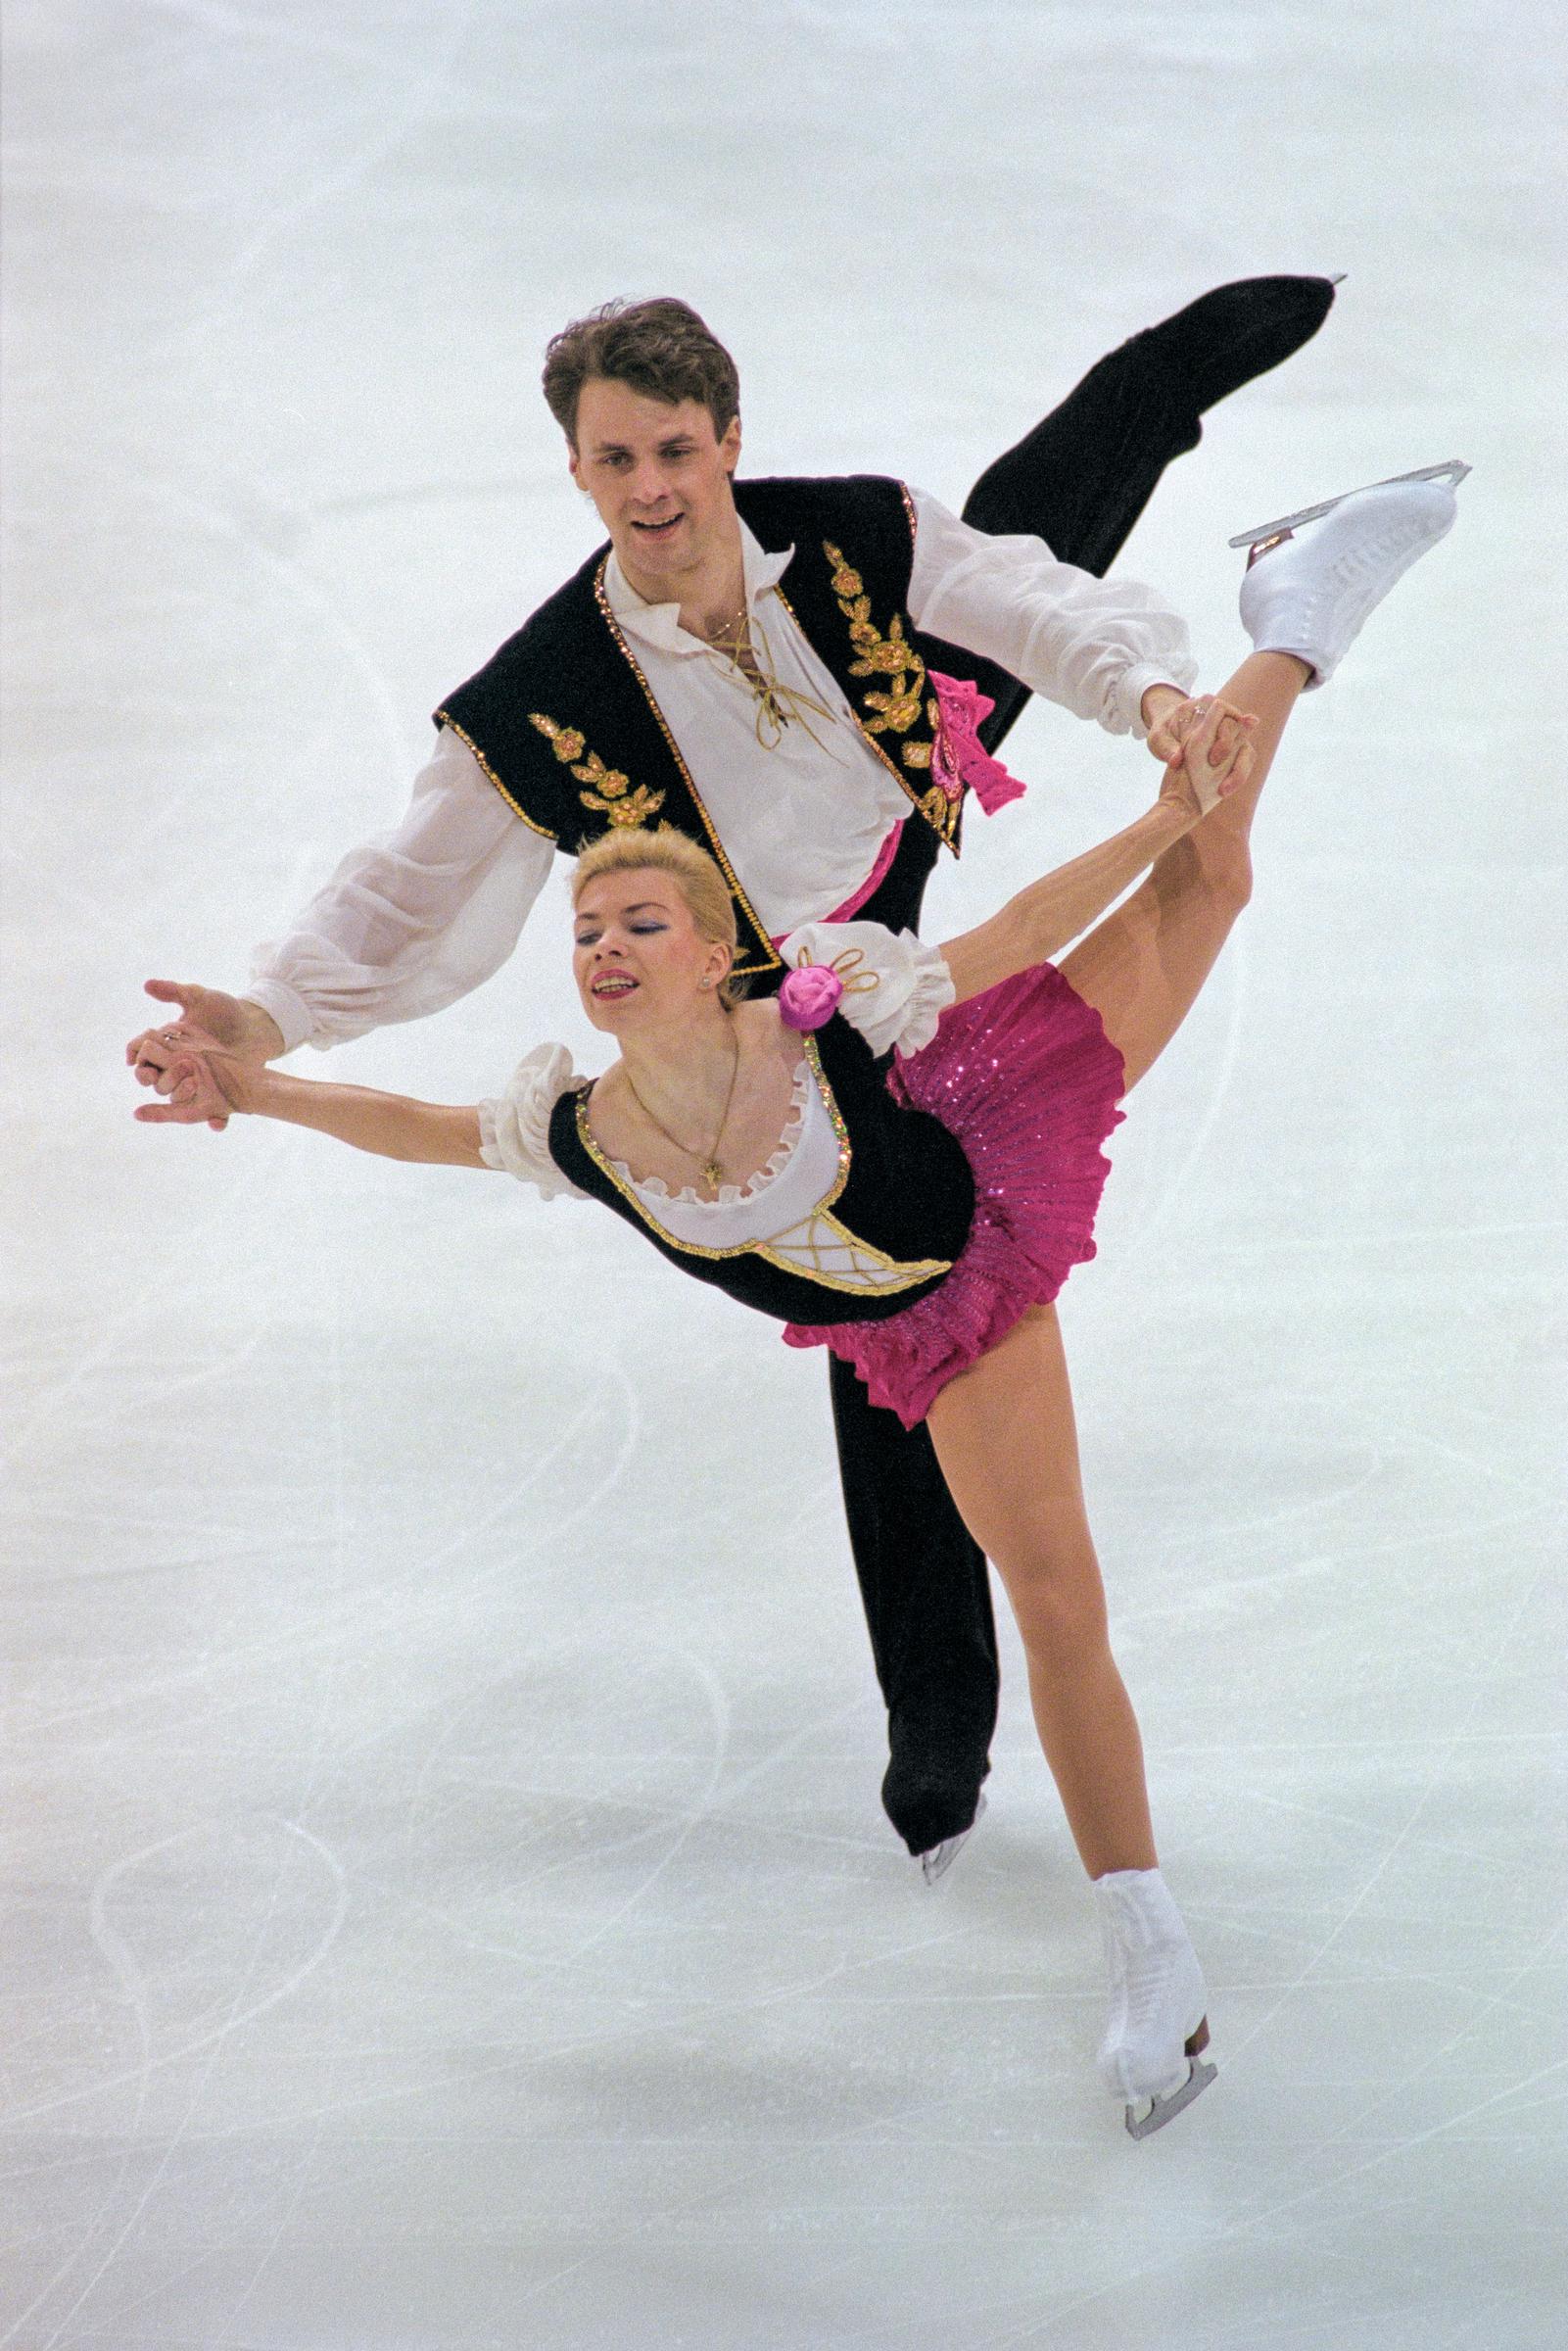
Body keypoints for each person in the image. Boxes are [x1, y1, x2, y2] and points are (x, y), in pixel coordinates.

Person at [132, 472, 1463, 2133]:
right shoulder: (587, 1129)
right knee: (1045, 1588)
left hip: (985, 1132)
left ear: (713, 952)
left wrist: (1159, 815)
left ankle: (1295, 617)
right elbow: (410, 1128)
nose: (605, 945)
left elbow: (1021, 927)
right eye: (589, 929)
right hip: (927, 1324)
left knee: (1218, 878)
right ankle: (1155, 1948)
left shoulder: (826, 1008)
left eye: (638, 920)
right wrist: (245, 1080)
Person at [126, 280, 1340, 1871]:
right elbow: (408, 890)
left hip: (888, 833)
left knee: (1004, 570)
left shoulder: (839, 534)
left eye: (676, 451)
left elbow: (1021, 604)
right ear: (574, 470)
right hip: (779, 989)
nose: (649, 489)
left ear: (727, 442)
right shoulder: (540, 697)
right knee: (885, 1316)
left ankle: (1162, 394)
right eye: (614, 459)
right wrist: (267, 1026)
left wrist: (1160, 697)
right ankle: (940, 1728)